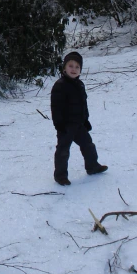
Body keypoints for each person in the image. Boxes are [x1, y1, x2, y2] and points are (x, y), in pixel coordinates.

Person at [50, 51, 108, 186]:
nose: (74, 69)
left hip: (79, 124)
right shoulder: (60, 85)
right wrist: (58, 124)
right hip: (65, 125)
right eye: (71, 66)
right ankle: (60, 176)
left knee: (88, 145)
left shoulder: (80, 85)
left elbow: (83, 104)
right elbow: (56, 107)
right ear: (64, 68)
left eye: (77, 67)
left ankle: (92, 166)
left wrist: (85, 120)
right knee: (63, 150)